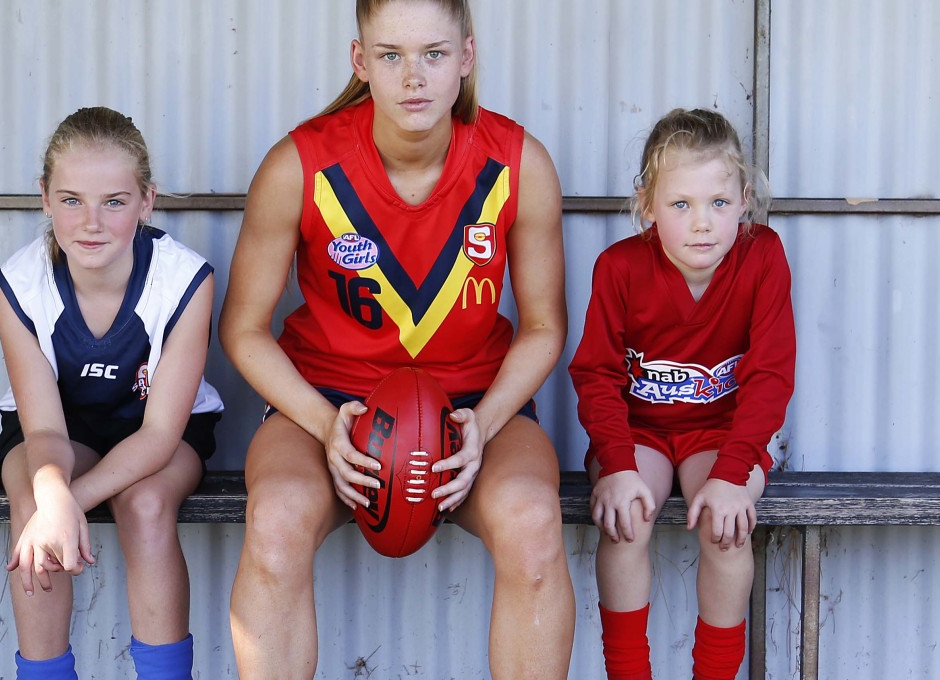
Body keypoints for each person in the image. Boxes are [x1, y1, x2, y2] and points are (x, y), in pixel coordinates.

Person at [218, 0, 574, 676]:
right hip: (327, 398)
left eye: (434, 54)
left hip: (474, 400)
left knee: (532, 522)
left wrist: (483, 424)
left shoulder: (518, 163)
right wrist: (325, 426)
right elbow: (241, 328)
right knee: (277, 522)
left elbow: (543, 327)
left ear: (466, 58)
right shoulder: (299, 165)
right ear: (361, 62)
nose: (414, 77)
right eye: (391, 55)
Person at [0, 106, 223, 680]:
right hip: (58, 429)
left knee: (146, 502)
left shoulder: (184, 280)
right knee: (34, 502)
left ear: (146, 201)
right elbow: (44, 431)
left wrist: (70, 503)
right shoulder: (19, 285)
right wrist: (53, 498)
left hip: (158, 430)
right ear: (43, 197)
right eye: (71, 199)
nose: (91, 222)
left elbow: (160, 435)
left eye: (114, 201)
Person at [568, 108, 796, 680]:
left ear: (744, 199)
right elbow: (596, 375)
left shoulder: (762, 256)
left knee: (727, 528)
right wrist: (616, 466)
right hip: (638, 434)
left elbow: (770, 375)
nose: (702, 224)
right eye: (681, 205)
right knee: (627, 518)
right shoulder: (619, 267)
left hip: (724, 435)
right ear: (647, 204)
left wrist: (731, 475)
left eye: (718, 203)